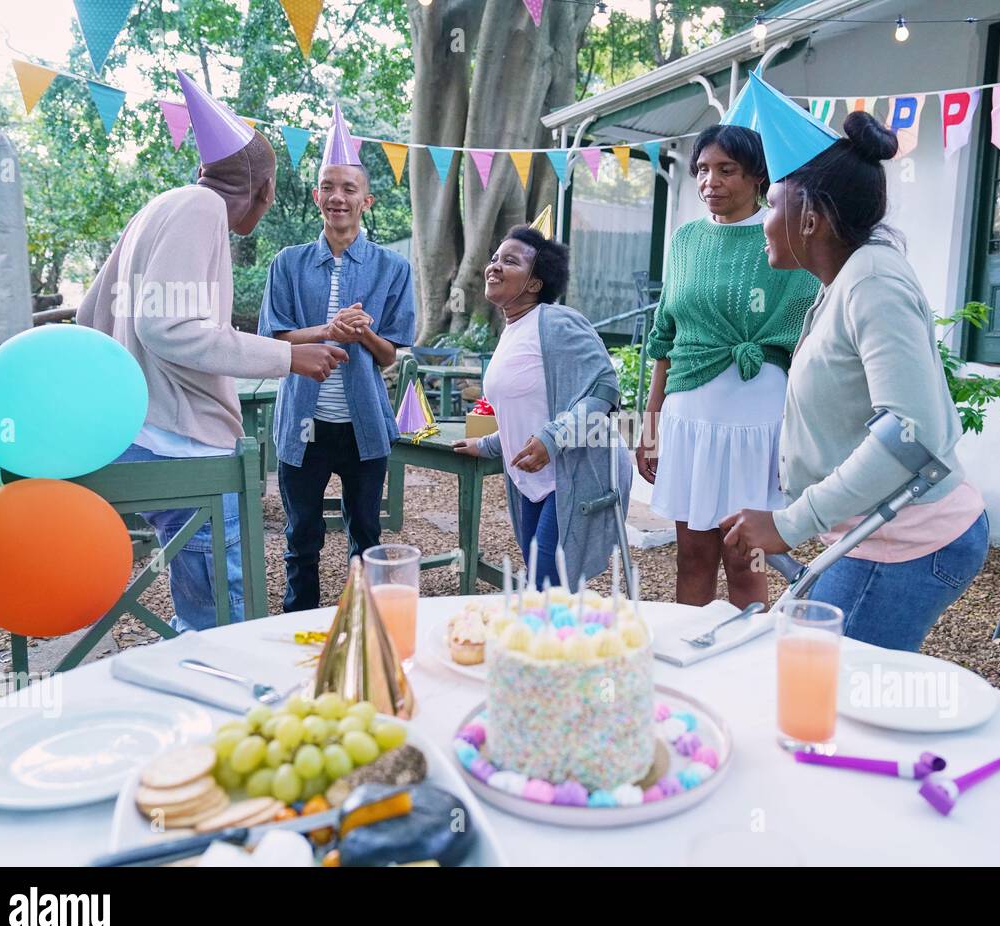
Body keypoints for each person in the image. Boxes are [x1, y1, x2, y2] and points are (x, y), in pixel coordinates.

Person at [76, 70, 345, 633]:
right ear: (266, 191)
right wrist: (288, 359)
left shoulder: (155, 209)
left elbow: (89, 316)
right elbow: (170, 327)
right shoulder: (201, 210)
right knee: (225, 609)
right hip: (183, 447)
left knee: (201, 593)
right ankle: (223, 693)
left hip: (136, 434)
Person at [721, 103, 989, 653]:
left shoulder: (873, 280)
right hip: (869, 533)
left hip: (905, 538)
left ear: (811, 218)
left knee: (835, 697)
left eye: (772, 205)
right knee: (815, 683)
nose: (764, 222)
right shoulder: (843, 281)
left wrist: (791, 522)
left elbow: (908, 434)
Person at [637, 125, 819, 610]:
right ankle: (688, 665)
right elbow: (664, 338)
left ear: (758, 175)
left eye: (726, 170)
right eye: (701, 170)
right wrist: (649, 424)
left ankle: (744, 669)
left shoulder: (785, 237)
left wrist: (797, 439)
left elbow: (806, 345)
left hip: (759, 426)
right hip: (689, 421)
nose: (709, 181)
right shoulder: (684, 241)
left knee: (747, 559)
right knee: (692, 558)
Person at [258, 104, 415, 612]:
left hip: (363, 423)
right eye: (329, 186)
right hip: (303, 423)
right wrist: (329, 328)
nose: (338, 197)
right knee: (300, 535)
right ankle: (295, 622)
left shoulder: (393, 268)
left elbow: (390, 354)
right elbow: (275, 339)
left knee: (366, 534)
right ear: (316, 196)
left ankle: (365, 626)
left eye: (349, 188)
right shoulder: (288, 263)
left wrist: (363, 332)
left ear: (366, 200)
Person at [452, 213, 631, 589]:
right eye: (496, 258)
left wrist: (554, 439)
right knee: (545, 580)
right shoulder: (511, 330)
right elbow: (528, 414)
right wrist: (485, 445)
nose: (495, 267)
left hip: (574, 474)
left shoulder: (557, 322)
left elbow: (604, 388)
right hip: (533, 480)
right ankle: (559, 644)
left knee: (547, 581)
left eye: (510, 261)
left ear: (534, 283)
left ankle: (566, 647)